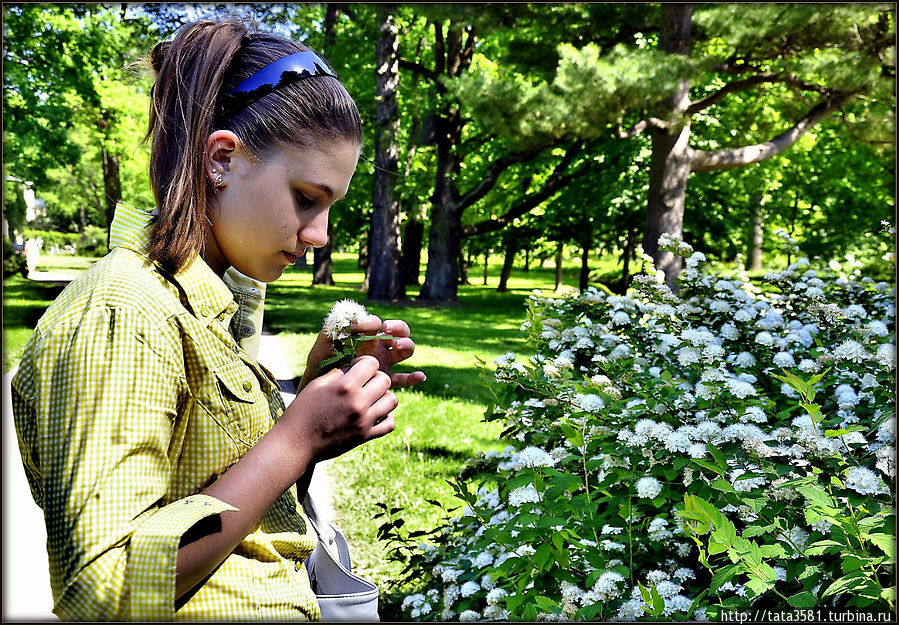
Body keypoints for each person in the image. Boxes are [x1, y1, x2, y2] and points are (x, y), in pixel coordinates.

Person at [10, 17, 425, 621]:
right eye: (307, 199)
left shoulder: (206, 305)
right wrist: (296, 437)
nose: (319, 235)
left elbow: (221, 499)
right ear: (223, 159)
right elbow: (100, 593)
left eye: (330, 207)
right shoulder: (124, 313)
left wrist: (315, 404)